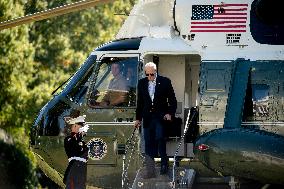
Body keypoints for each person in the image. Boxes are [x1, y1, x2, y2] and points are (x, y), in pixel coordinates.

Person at [134, 62, 177, 177]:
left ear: (156, 72)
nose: (149, 77)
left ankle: (164, 164)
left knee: (160, 139)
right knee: (148, 143)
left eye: (151, 75)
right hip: (147, 117)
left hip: (160, 117)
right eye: (147, 74)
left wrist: (169, 113)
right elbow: (140, 103)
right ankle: (150, 170)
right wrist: (138, 118)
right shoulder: (142, 83)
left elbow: (172, 100)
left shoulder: (165, 81)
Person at [63, 114, 89, 189]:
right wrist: (80, 135)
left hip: (81, 171)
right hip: (74, 170)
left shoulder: (82, 142)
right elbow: (76, 147)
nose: (82, 129)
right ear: (74, 126)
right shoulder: (69, 139)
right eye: (81, 126)